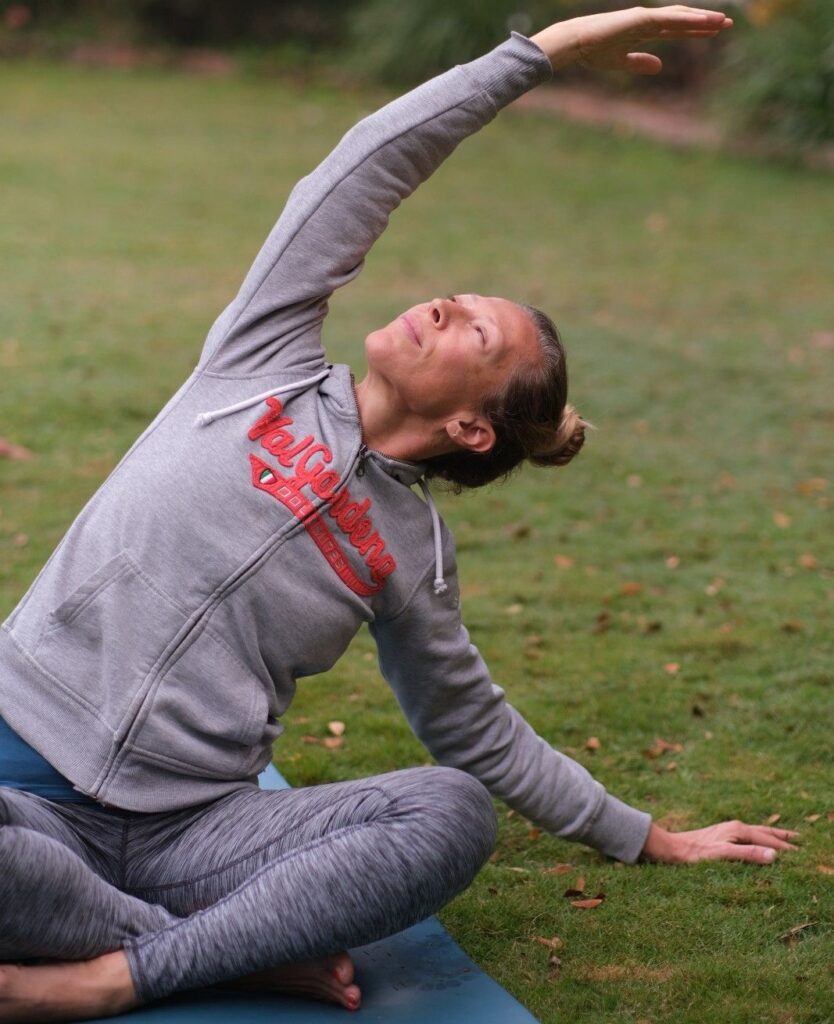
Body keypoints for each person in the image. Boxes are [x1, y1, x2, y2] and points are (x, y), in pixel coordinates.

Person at [0, 6, 798, 1021]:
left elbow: (474, 727)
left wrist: (644, 833)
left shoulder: (407, 552)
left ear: (473, 426)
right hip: (18, 774)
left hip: (189, 836)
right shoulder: (258, 364)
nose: (442, 303)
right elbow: (364, 167)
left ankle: (105, 972)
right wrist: (534, 57)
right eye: (459, 296)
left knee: (449, 813)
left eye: (476, 329)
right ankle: (219, 953)